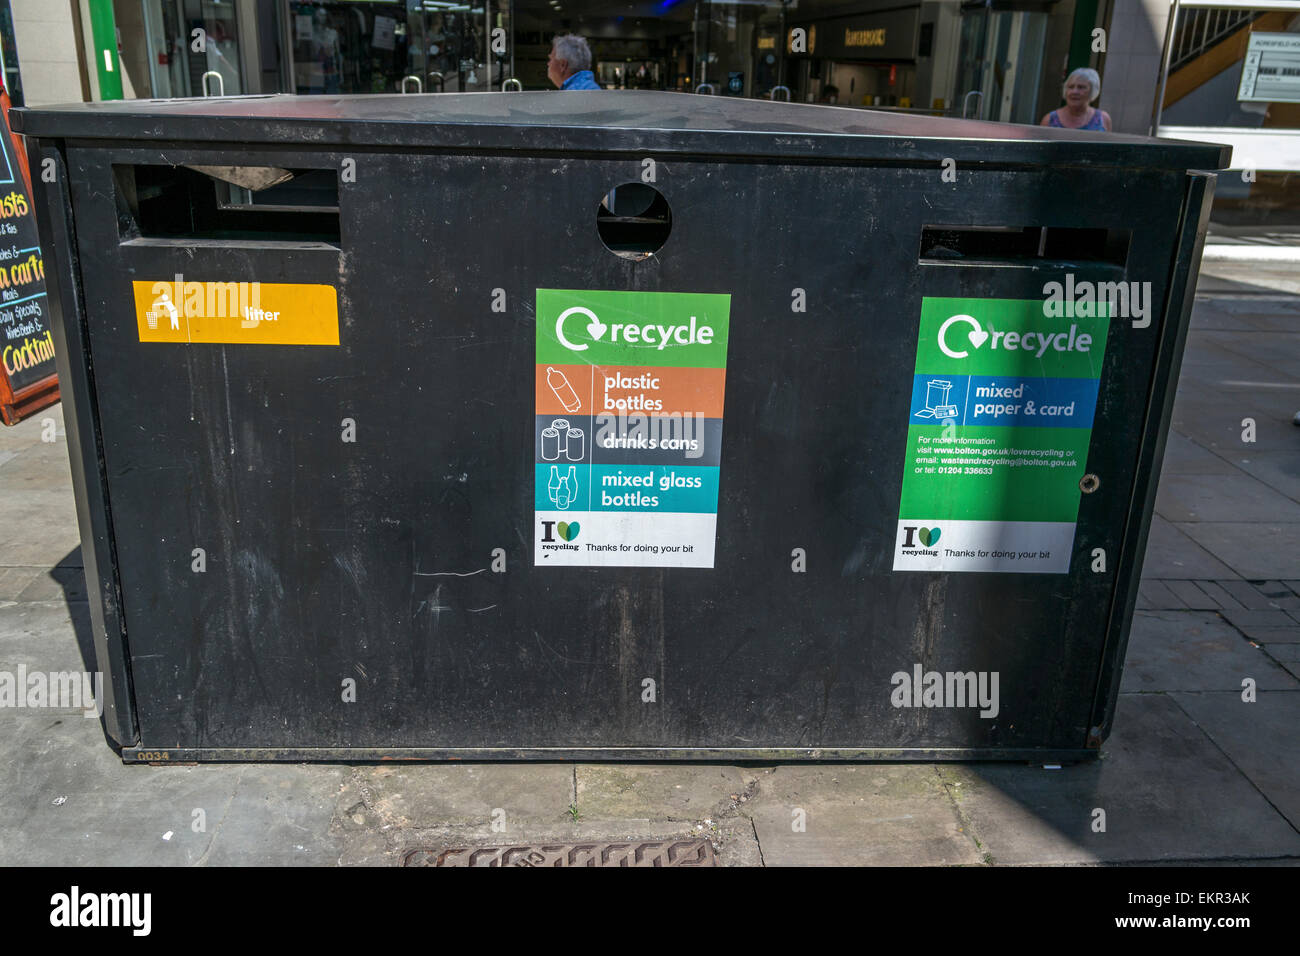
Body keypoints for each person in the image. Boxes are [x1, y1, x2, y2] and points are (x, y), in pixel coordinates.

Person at [1041, 68, 1111, 131]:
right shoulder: (1050, 120)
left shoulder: (1103, 119)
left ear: (1092, 91)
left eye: (1081, 87)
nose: (1074, 92)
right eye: (1071, 87)